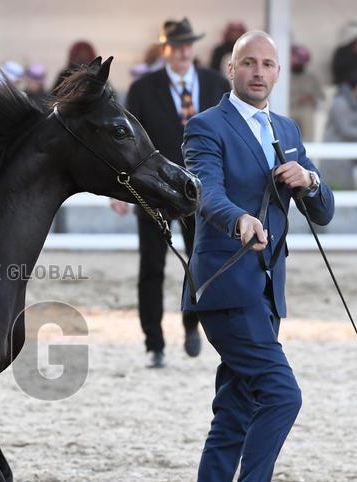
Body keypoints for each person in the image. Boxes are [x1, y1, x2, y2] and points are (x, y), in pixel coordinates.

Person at [173, 31, 334, 482]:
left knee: (234, 417)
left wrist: (308, 180)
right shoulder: (206, 126)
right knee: (283, 395)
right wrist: (237, 218)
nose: (259, 72)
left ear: (278, 72)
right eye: (249, 63)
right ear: (230, 68)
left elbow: (325, 210)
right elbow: (204, 190)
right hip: (223, 285)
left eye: (268, 64)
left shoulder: (286, 130)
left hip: (267, 292)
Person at [120, 17, 229, 368]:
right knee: (151, 266)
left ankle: (192, 323)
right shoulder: (142, 89)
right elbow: (127, 143)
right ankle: (154, 341)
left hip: (202, 190)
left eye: (188, 44)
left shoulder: (215, 84)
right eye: (177, 45)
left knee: (200, 261)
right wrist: (119, 188)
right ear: (165, 48)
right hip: (154, 191)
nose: (183, 51)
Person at [288, 45, 323, 142]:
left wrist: (312, 99)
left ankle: (308, 150)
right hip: (290, 110)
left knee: (308, 114)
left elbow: (321, 97)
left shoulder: (311, 78)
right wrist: (298, 99)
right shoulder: (284, 77)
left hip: (306, 111)